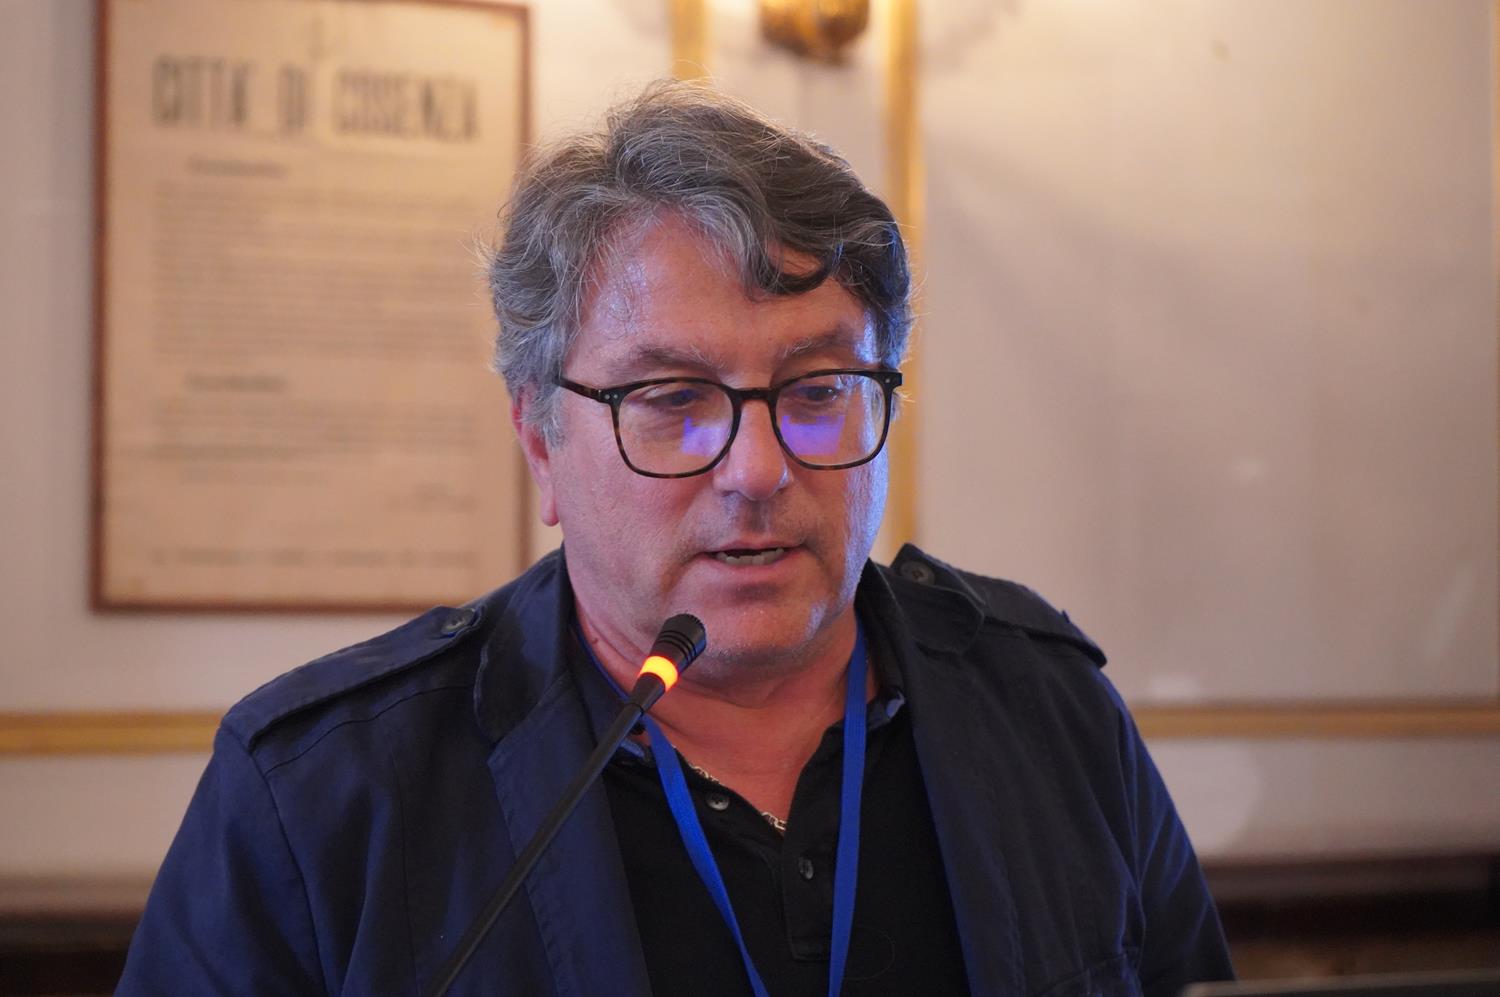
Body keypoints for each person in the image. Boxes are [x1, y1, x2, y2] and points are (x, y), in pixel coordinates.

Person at [119, 80, 1233, 996]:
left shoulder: (1052, 711)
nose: (757, 470)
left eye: (818, 391)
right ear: (540, 438)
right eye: (671, 400)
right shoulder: (321, 795)